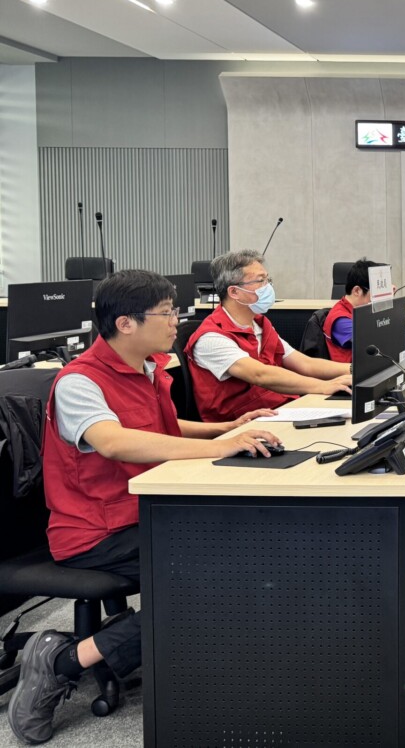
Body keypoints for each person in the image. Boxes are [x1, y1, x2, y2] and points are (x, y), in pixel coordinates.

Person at [7, 270, 280, 746]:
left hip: (147, 511)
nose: (177, 321)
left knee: (251, 551)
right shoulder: (79, 382)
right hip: (96, 532)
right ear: (126, 323)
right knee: (223, 575)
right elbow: (113, 442)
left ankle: (134, 640)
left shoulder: (149, 368)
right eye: (167, 313)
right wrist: (222, 446)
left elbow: (162, 429)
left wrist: (226, 428)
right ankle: (64, 661)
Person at [186, 250, 352, 422]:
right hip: (244, 424)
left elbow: (304, 363)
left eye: (267, 280)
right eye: (260, 281)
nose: (268, 287)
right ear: (234, 292)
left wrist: (353, 370)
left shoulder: (260, 325)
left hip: (280, 409)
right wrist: (323, 386)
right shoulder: (211, 338)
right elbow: (260, 375)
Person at [322, 258, 380, 363]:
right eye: (375, 294)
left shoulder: (360, 311)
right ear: (357, 291)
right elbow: (375, 342)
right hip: (352, 371)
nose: (378, 299)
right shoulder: (341, 320)